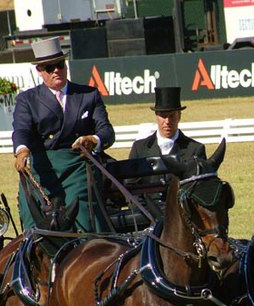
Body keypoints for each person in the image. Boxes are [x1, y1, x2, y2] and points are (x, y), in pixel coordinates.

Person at [12, 37, 115, 233]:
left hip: (78, 166)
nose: (56, 71)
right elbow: (21, 129)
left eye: (59, 65)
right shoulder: (27, 100)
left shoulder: (88, 95)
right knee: (33, 224)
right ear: (40, 71)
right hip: (41, 169)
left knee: (86, 217)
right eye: (49, 68)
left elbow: (106, 130)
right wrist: (21, 150)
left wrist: (94, 140)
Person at [128, 86, 206, 163]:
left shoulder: (195, 150)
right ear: (156, 116)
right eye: (163, 116)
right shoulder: (139, 149)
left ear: (179, 116)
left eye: (172, 116)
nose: (167, 121)